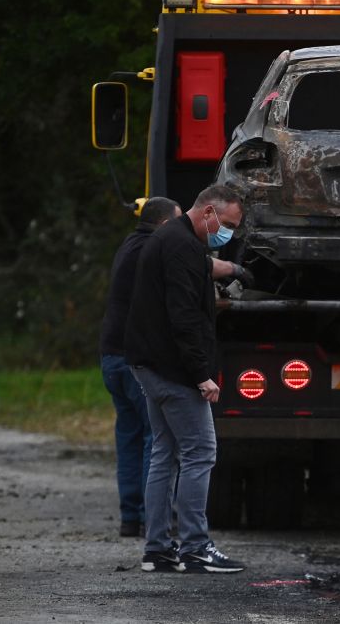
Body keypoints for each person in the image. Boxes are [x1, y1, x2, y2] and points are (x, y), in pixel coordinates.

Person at [126, 185, 247, 574]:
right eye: (226, 224)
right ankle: (196, 546)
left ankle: (158, 548)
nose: (226, 233)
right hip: (174, 369)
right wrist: (202, 375)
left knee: (165, 454)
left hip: (152, 364)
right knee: (200, 452)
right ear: (208, 211)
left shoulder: (171, 239)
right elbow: (183, 318)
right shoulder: (181, 247)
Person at [100, 197, 182, 538]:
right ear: (164, 224)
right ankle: (156, 519)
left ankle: (130, 517)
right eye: (177, 222)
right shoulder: (153, 250)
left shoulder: (129, 245)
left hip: (110, 356)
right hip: (134, 360)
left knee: (130, 437)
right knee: (157, 439)